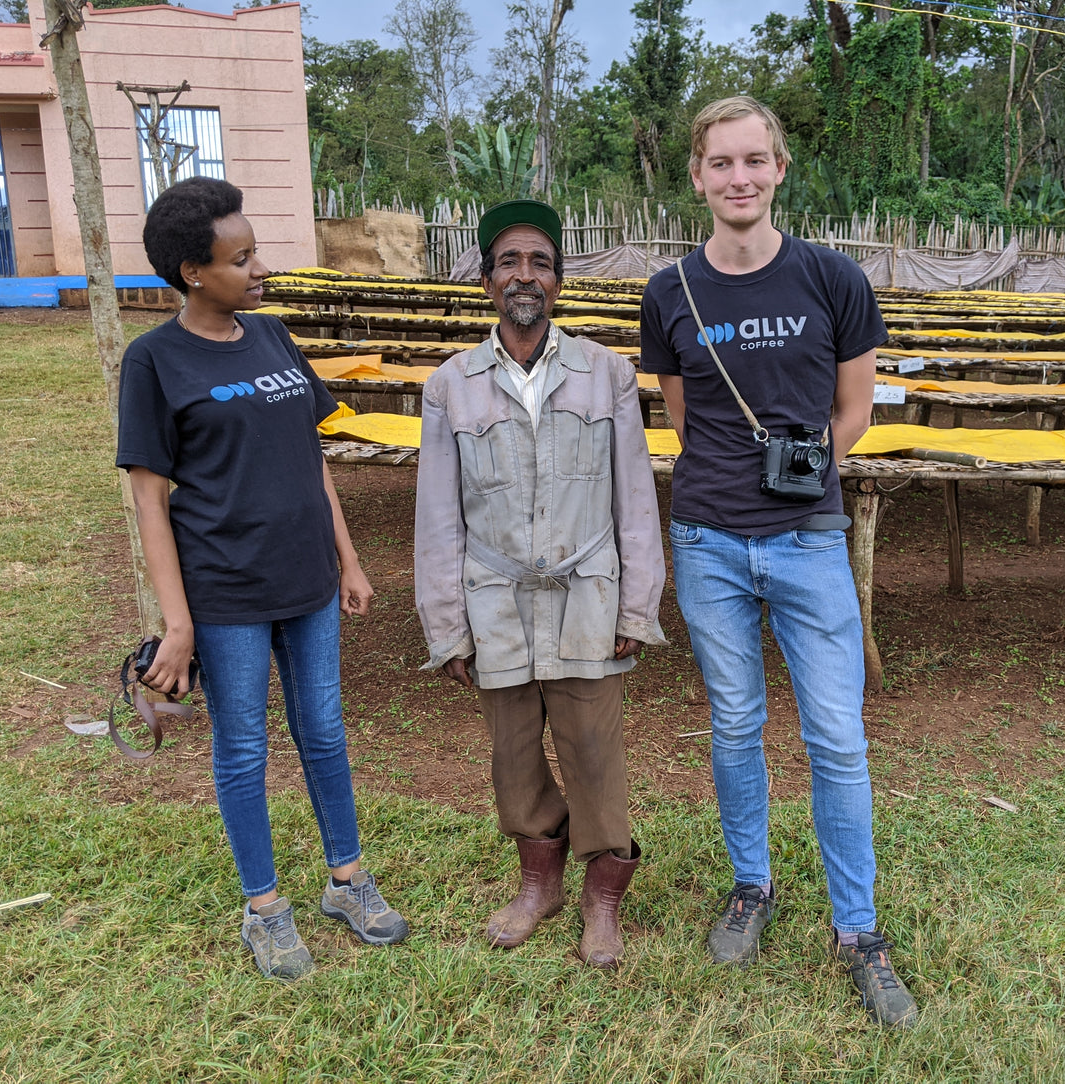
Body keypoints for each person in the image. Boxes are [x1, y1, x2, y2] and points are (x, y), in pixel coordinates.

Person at [638, 96, 919, 1027]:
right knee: (734, 724)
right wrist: (737, 484)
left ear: (780, 169)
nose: (739, 179)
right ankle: (750, 886)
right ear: (696, 177)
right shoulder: (669, 291)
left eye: (754, 161)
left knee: (836, 737)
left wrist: (805, 480)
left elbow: (855, 410)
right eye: (721, 164)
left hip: (808, 541)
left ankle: (860, 931)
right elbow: (683, 417)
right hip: (709, 539)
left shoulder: (833, 279)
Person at [116, 176, 408, 981]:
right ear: (191, 273)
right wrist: (177, 627)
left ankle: (347, 880)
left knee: (323, 731)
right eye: (239, 259)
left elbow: (310, 459)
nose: (258, 269)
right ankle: (265, 908)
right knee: (243, 749)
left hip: (308, 579)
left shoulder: (274, 335)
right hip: (226, 589)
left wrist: (347, 559)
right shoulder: (154, 361)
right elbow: (149, 497)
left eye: (255, 253)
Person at [414, 199, 666, 969]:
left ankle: (602, 898)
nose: (525, 275)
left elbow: (634, 496)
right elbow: (437, 518)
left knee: (593, 749)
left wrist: (636, 602)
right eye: (510, 262)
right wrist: (447, 623)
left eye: (541, 263)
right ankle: (539, 885)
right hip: (494, 599)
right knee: (513, 752)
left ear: (558, 279)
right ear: (487, 279)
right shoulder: (451, 386)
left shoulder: (607, 374)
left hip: (587, 592)